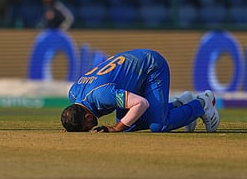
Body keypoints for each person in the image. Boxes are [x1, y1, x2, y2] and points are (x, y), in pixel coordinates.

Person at [61, 49, 220, 133]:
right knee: (129, 125)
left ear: (88, 116)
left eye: (85, 128)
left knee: (158, 125)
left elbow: (141, 103)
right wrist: (71, 126)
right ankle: (180, 105)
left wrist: (116, 128)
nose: (90, 130)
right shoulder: (73, 92)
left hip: (151, 66)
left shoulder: (101, 95)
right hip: (134, 66)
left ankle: (202, 103)